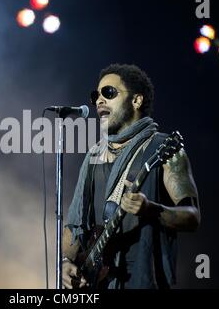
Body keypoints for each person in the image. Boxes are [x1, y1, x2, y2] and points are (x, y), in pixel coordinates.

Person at [62, 63, 200, 289]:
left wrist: (151, 209)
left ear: (137, 100)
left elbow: (192, 216)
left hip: (141, 279)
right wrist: (66, 262)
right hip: (95, 283)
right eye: (96, 95)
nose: (99, 101)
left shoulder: (163, 147)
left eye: (108, 93)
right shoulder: (94, 155)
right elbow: (74, 225)